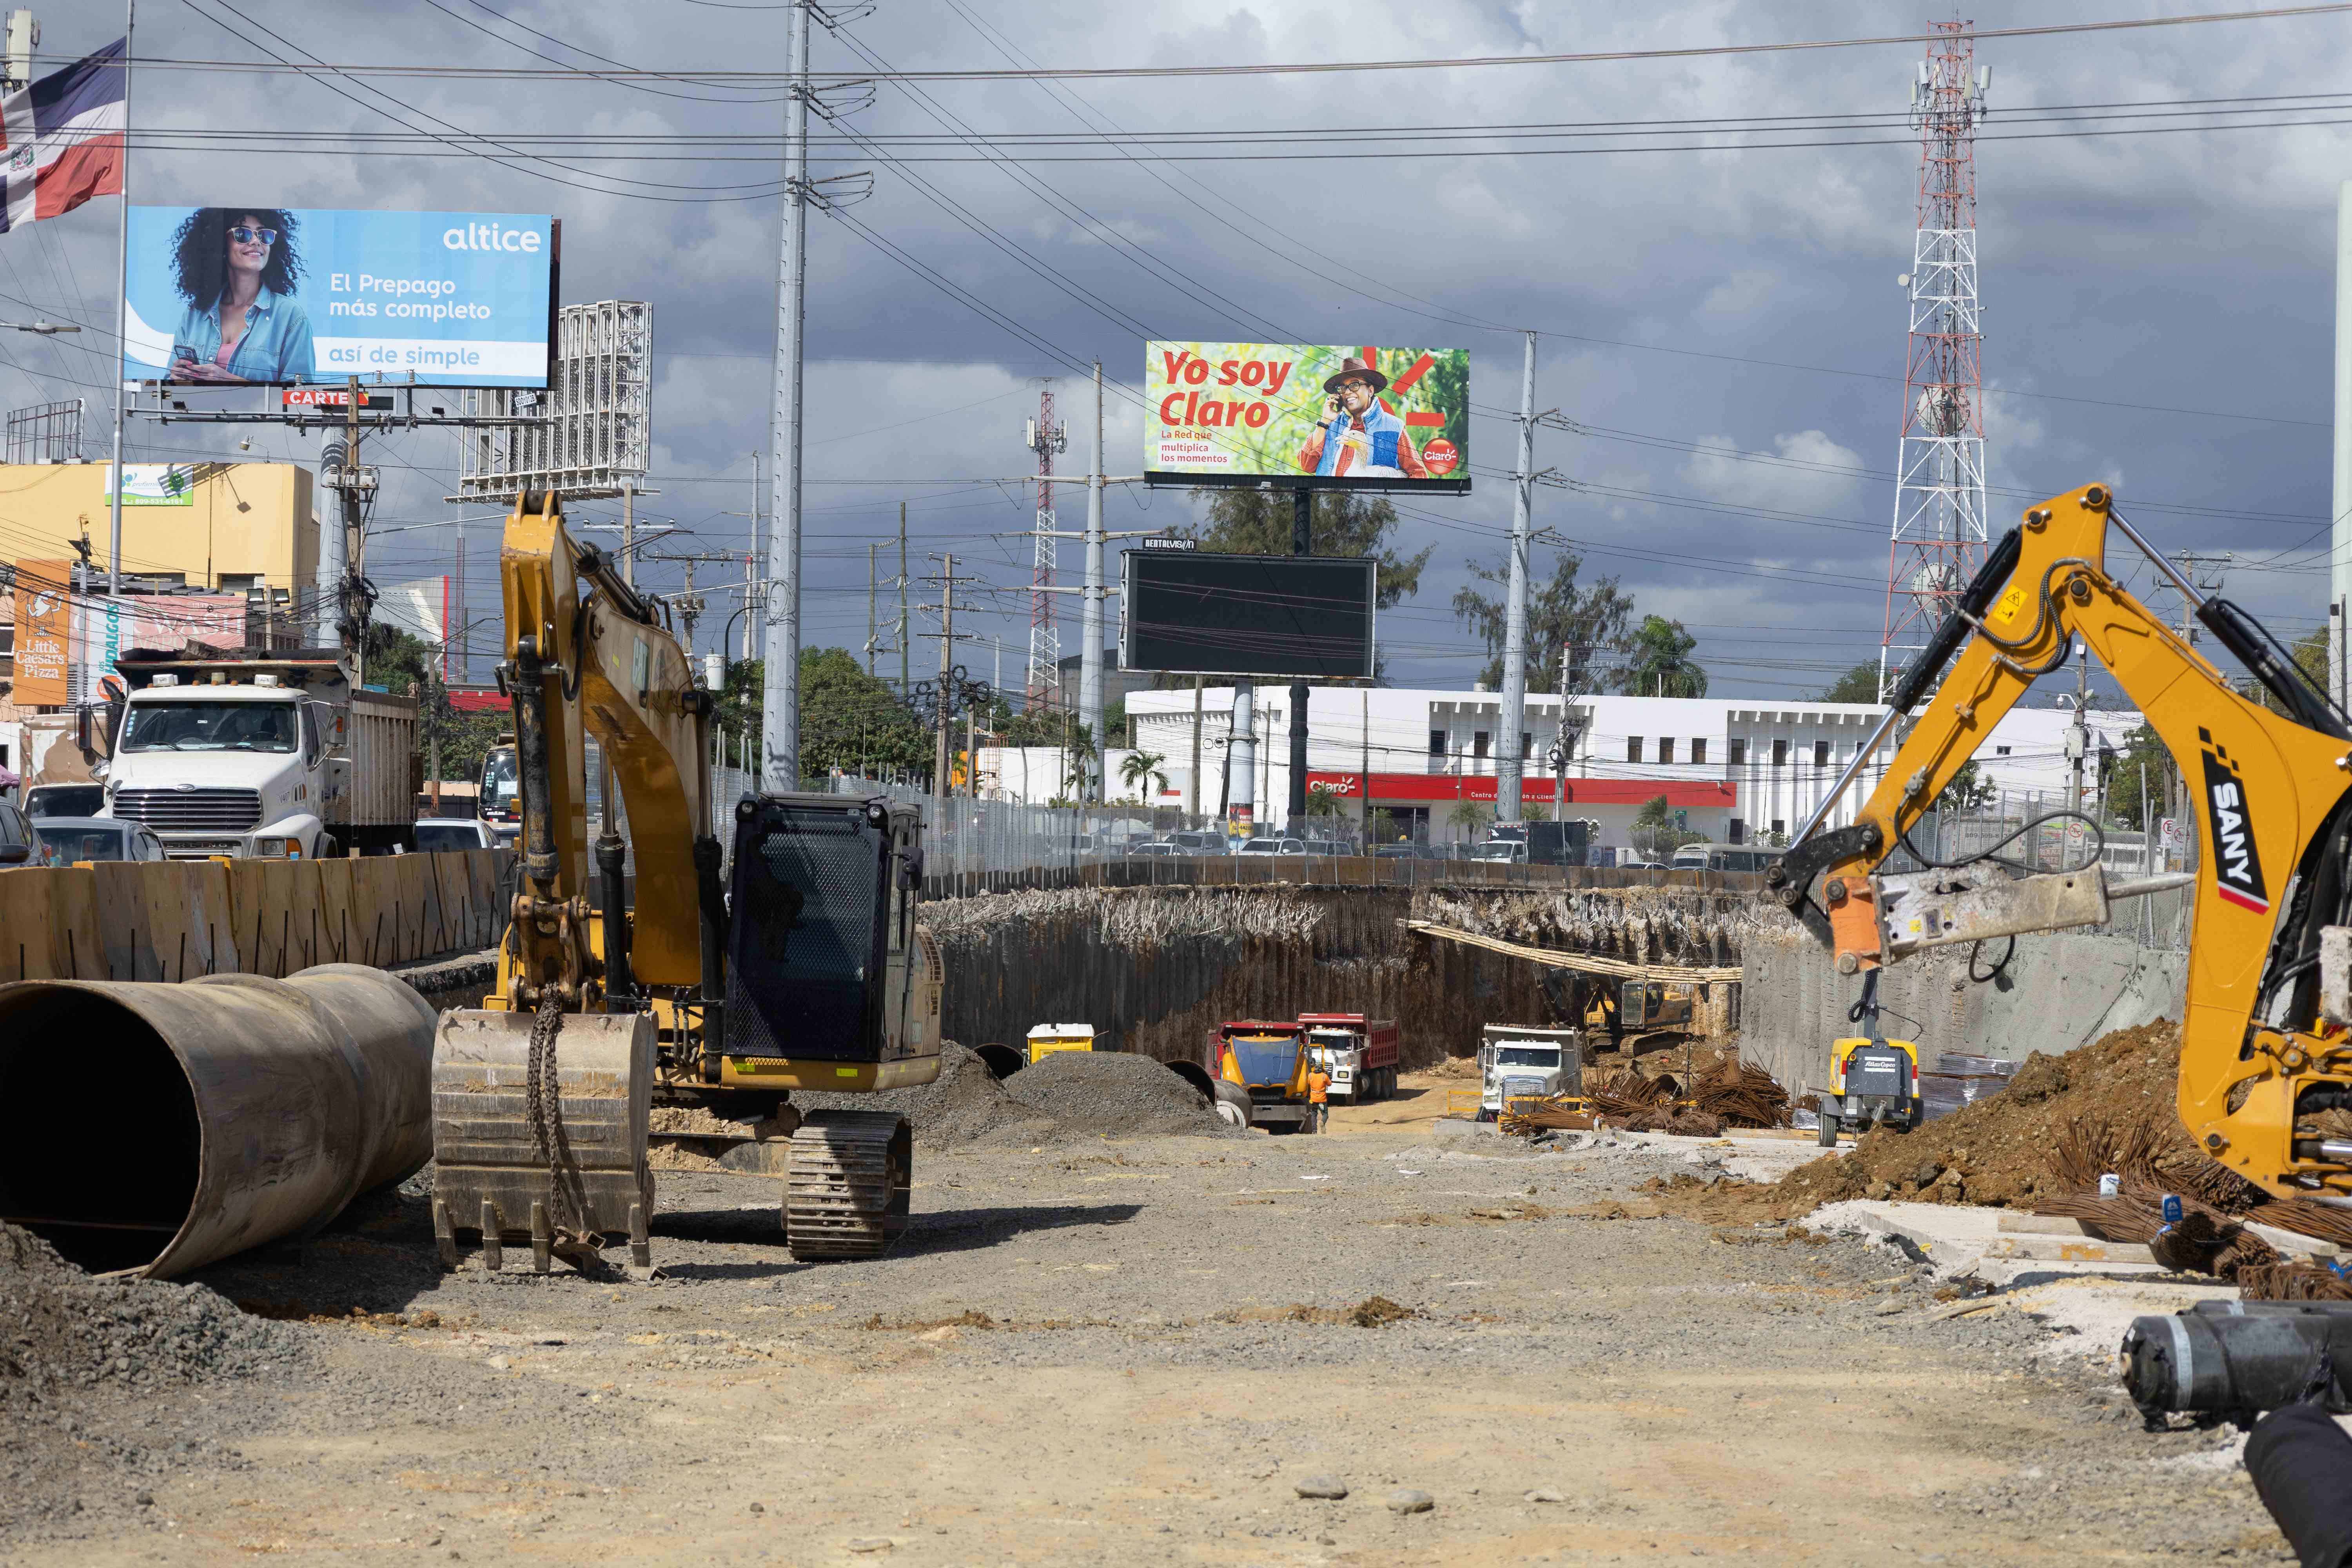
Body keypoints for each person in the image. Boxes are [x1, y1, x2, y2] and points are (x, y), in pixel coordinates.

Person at [164, 208, 315, 385]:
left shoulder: (290, 316)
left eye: (264, 235)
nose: (256, 241)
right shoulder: (194, 315)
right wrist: (177, 381)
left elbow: (301, 398)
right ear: (220, 244)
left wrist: (232, 382)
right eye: (242, 234)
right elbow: (170, 389)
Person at [1296, 356, 1429, 480]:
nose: (1348, 392)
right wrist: (1324, 422)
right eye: (1342, 388)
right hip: (1331, 503)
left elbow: (1419, 474)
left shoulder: (1393, 426)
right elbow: (1306, 465)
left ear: (1370, 391)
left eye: (1355, 385)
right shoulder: (1329, 426)